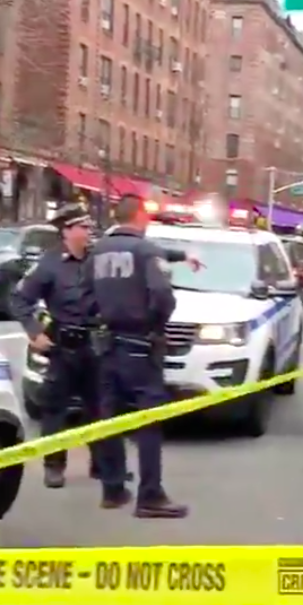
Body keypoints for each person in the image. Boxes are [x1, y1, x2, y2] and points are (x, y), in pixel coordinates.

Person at [86, 194, 187, 518]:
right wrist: (155, 325)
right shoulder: (146, 250)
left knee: (109, 418)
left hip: (107, 344)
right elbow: (162, 295)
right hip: (141, 344)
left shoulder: (97, 251)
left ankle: (112, 489)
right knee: (149, 420)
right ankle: (150, 495)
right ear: (140, 215)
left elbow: (84, 295)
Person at [9, 203, 120, 489]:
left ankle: (101, 464)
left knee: (100, 408)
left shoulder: (100, 260)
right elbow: (20, 299)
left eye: (89, 226)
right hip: (64, 349)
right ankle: (54, 466)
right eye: (83, 227)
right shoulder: (49, 265)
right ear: (66, 231)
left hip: (96, 346)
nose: (89, 231)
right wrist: (34, 332)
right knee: (55, 410)